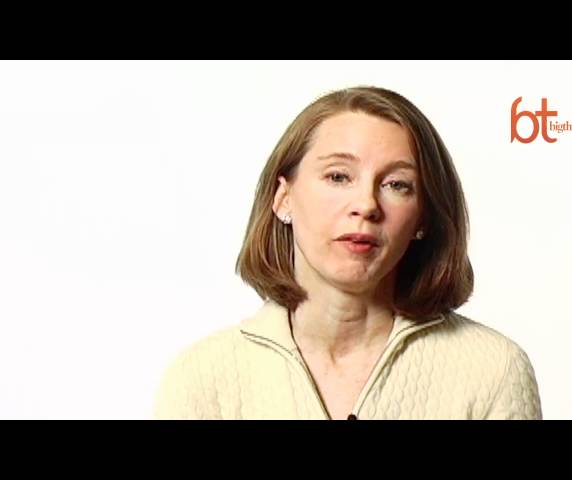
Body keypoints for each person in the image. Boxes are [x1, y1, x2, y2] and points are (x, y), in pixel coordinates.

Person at [153, 86, 542, 420]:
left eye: (397, 184)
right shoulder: (202, 379)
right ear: (283, 198)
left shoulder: (492, 370)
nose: (366, 204)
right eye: (338, 177)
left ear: (423, 217)